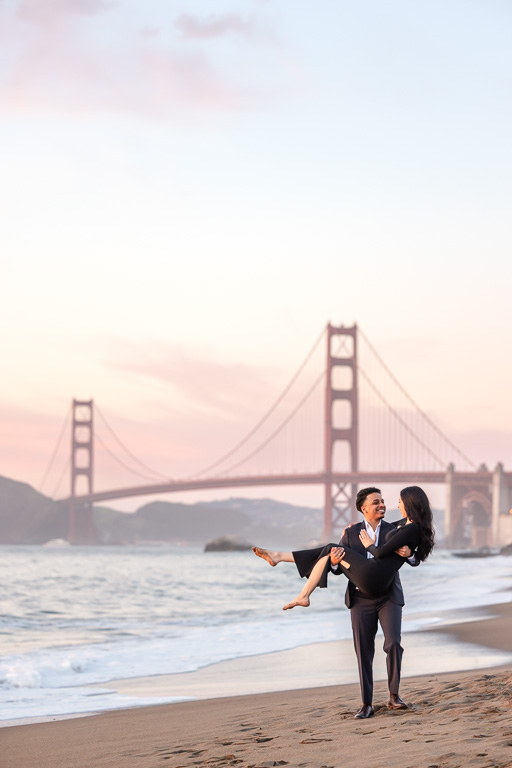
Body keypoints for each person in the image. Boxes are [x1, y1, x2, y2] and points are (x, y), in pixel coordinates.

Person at [252, 486, 435, 719]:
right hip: (360, 597)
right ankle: (366, 704)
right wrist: (335, 562)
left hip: (388, 596)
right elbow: (338, 569)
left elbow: (415, 554)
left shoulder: (395, 528)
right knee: (363, 651)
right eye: (376, 502)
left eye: (383, 501)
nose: (382, 505)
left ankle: (394, 696)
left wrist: (410, 554)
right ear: (363, 508)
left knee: (393, 644)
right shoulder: (350, 533)